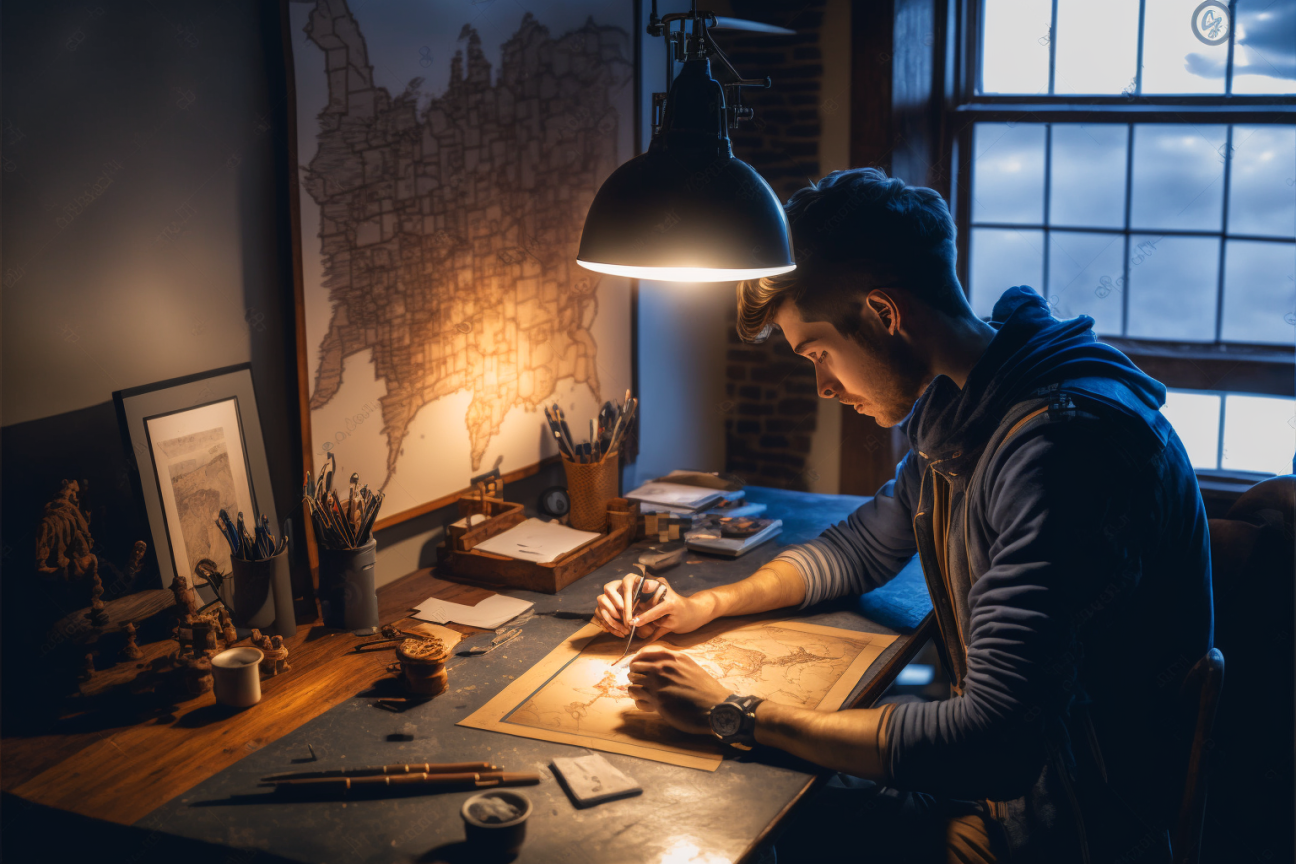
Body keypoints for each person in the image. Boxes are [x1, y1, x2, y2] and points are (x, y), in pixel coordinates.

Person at [593, 168, 1212, 863]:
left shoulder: (1061, 450)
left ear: (886, 314)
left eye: (819, 353)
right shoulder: (973, 405)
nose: (824, 386)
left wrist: (734, 711)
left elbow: (991, 745)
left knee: (737, 819)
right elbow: (863, 546)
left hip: (1063, 828)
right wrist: (705, 606)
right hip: (1010, 792)